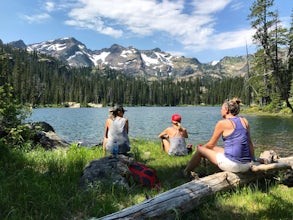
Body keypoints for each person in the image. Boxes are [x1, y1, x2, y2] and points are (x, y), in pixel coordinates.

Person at [184, 98, 255, 176]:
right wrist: (253, 159)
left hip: (234, 165)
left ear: (226, 109)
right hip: (247, 165)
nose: (220, 111)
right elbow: (250, 143)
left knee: (200, 150)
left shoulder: (222, 123)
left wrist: (201, 147)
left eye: (221, 109)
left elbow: (211, 144)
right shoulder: (244, 120)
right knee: (216, 149)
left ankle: (185, 172)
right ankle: (216, 171)